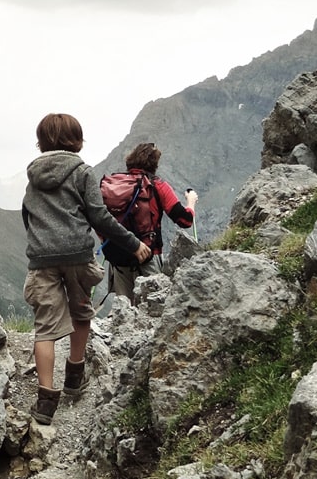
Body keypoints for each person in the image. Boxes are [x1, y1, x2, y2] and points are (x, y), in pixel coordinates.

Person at [21, 113, 151, 425]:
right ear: (77, 140)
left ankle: (45, 402)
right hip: (78, 255)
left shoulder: (33, 175)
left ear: (41, 141)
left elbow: (27, 214)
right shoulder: (82, 172)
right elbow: (100, 216)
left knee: (45, 329)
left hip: (42, 258)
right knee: (81, 312)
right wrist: (133, 244)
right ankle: (74, 377)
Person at [107, 142, 197, 304]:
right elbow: (185, 220)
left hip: (119, 260)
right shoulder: (157, 186)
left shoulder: (114, 186)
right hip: (149, 257)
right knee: (153, 310)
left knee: (124, 312)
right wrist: (191, 202)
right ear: (154, 164)